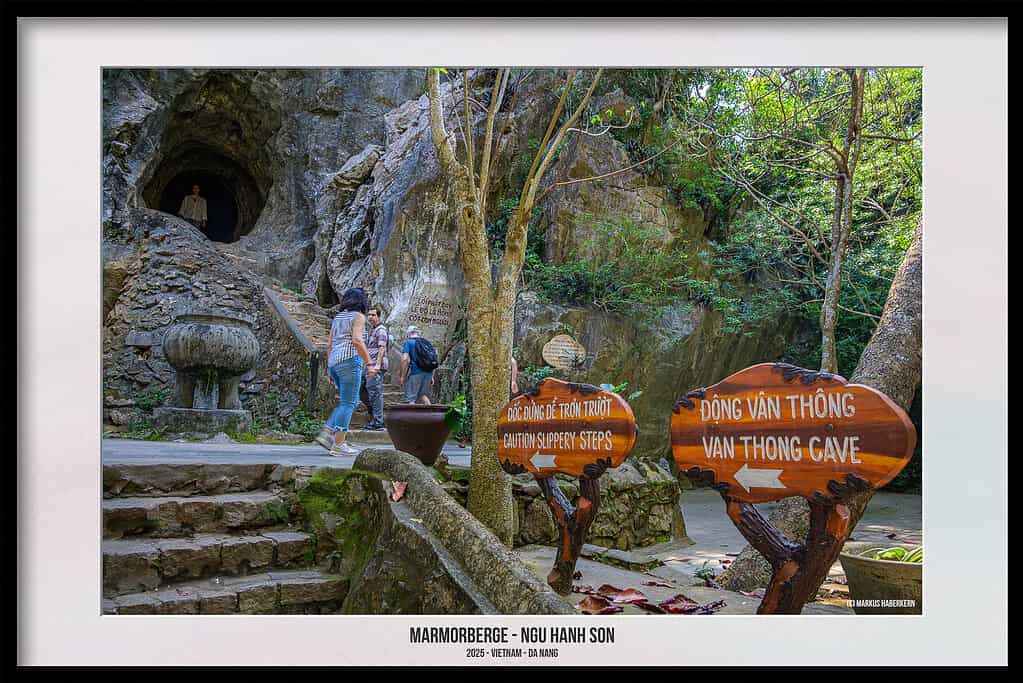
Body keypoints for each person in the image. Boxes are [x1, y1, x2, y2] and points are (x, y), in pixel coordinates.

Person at [314, 288, 377, 456]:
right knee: (348, 403)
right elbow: (357, 340)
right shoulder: (358, 317)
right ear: (362, 302)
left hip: (335, 362)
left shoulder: (338, 318)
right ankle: (339, 444)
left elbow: (329, 344)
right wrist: (369, 363)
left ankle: (327, 434)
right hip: (349, 361)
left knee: (351, 401)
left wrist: (329, 368)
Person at [359, 305, 388, 431]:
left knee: (375, 393)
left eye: (373, 315)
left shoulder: (381, 329)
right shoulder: (373, 330)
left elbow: (382, 348)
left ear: (379, 316)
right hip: (369, 365)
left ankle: (378, 421)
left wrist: (377, 365)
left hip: (376, 366)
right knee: (361, 389)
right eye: (369, 315)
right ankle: (374, 415)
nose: (370, 317)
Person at [399, 325, 434, 404]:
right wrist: (431, 376)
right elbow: (433, 359)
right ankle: (430, 414)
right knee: (423, 395)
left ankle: (410, 416)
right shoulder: (427, 343)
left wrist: (402, 376)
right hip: (428, 373)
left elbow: (405, 360)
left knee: (411, 399)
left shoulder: (408, 342)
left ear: (408, 333)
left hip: (416, 373)